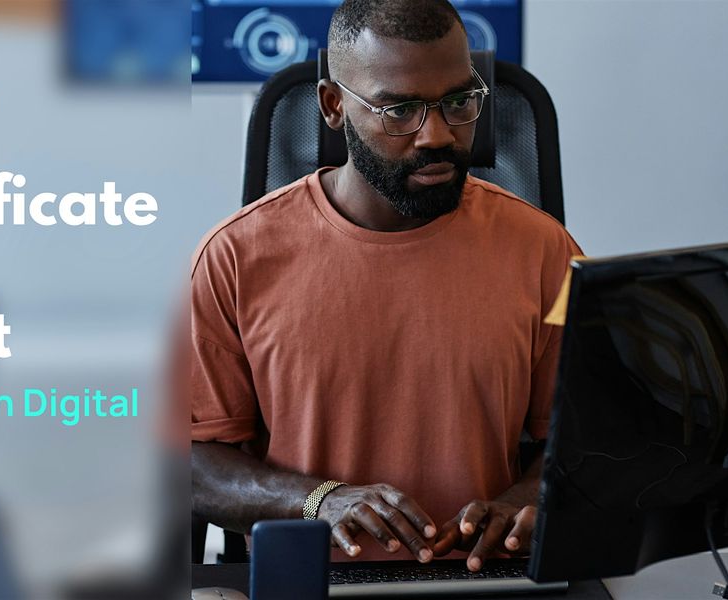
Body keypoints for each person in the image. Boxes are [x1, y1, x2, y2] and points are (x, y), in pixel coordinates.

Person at [188, 0, 582, 572]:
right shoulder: (234, 258)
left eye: (459, 102)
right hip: (312, 582)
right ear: (333, 105)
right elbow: (190, 460)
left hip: (485, 577)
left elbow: (584, 441)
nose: (437, 135)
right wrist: (317, 501)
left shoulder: (546, 252)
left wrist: (525, 500)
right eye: (400, 110)